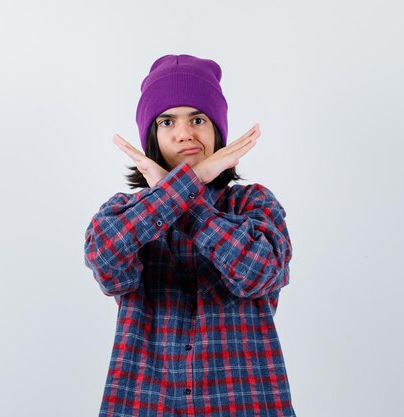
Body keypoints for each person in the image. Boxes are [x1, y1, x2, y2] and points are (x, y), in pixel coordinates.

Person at [84, 54, 296, 416]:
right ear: (152, 136)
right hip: (144, 400)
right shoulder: (123, 211)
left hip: (244, 402)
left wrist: (184, 194)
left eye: (198, 119)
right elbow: (105, 260)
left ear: (217, 131)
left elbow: (258, 274)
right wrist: (186, 186)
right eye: (167, 121)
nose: (184, 133)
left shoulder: (252, 202)